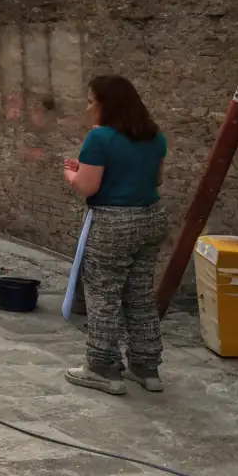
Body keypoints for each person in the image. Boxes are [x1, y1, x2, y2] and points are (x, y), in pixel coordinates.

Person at [62, 75, 168, 395]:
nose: (88, 106)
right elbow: (157, 179)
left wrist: (70, 173)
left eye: (92, 101)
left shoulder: (100, 139)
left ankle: (102, 366)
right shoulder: (155, 137)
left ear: (107, 104)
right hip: (151, 218)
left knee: (104, 293)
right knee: (139, 292)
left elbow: (86, 187)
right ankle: (146, 365)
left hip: (112, 222)